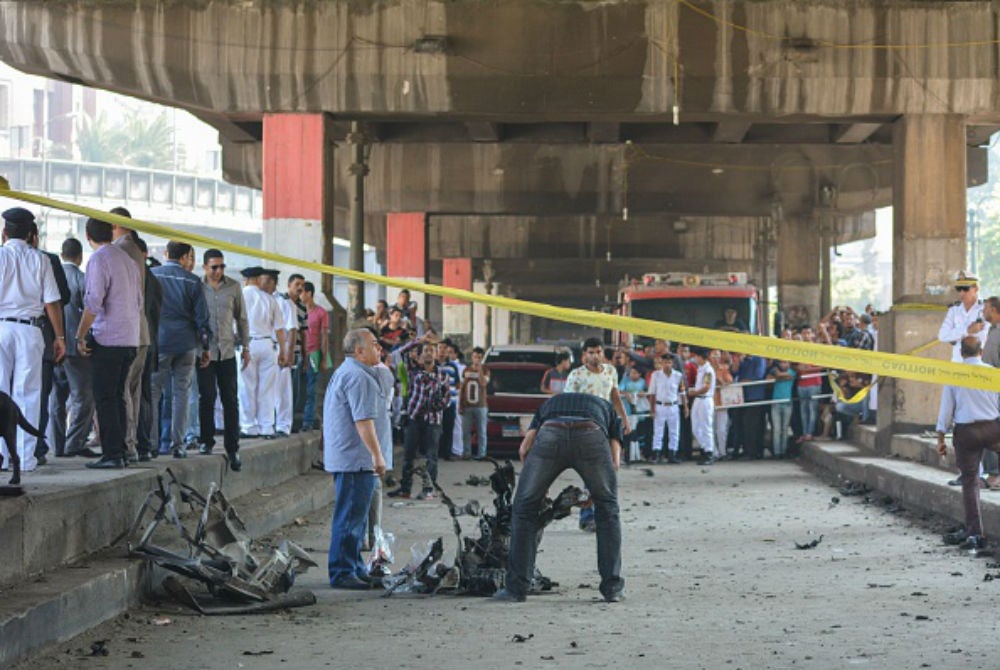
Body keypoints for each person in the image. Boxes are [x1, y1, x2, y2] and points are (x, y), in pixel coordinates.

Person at [493, 392, 625, 604]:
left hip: (551, 433)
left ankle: (516, 588)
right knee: (608, 510)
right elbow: (614, 459)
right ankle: (612, 589)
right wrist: (599, 491)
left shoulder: (548, 404)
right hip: (591, 434)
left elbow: (524, 448)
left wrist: (538, 489)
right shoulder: (606, 407)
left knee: (524, 509)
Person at [0, 208, 65, 473]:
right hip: (30, 330)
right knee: (28, 394)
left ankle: (1, 457)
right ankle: (25, 460)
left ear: (4, 233)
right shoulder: (41, 260)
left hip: (1, 328)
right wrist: (60, 336)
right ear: (30, 234)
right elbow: (52, 301)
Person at [323, 328, 387, 589]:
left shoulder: (352, 372)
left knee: (356, 519)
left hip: (353, 457)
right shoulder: (358, 377)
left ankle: (354, 566)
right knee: (349, 518)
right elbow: (363, 422)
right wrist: (377, 455)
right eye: (373, 344)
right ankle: (342, 571)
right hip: (356, 458)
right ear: (359, 351)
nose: (379, 348)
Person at [76, 217, 141, 469]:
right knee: (118, 397)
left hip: (108, 339)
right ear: (112, 232)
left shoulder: (99, 259)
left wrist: (80, 335)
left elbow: (93, 301)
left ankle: (112, 454)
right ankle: (121, 452)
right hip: (129, 339)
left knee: (105, 398)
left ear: (87, 235)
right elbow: (138, 301)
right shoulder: (128, 260)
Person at [937, 337, 1000, 552]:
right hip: (993, 428)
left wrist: (940, 438)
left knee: (970, 481)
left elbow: (946, 411)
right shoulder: (992, 372)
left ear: (961, 353)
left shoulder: (954, 375)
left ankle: (975, 533)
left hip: (966, 432)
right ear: (981, 351)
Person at [563, 337, 630, 532]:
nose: (595, 356)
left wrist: (624, 419)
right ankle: (587, 515)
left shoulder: (610, 371)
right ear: (584, 355)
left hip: (608, 424)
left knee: (611, 468)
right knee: (590, 472)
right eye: (591, 352)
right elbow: (569, 402)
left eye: (598, 352)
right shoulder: (576, 375)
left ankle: (606, 513)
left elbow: (615, 397)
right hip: (586, 427)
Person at [151, 242, 211, 459]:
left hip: (159, 342)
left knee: (153, 393)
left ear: (166, 254)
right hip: (186, 344)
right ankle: (178, 445)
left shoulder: (152, 275)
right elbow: (202, 319)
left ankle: (152, 444)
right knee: (181, 395)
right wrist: (205, 347)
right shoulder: (193, 281)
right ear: (185, 257)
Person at [197, 249, 250, 471]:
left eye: (221, 267)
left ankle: (232, 447)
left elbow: (242, 318)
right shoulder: (197, 287)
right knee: (207, 397)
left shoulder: (234, 287)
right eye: (214, 267)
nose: (218, 271)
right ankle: (206, 441)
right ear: (205, 268)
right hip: (205, 352)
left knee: (230, 399)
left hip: (227, 351)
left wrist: (246, 346)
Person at [106, 208, 152, 463]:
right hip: (141, 331)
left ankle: (128, 445)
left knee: (123, 390)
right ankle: (132, 444)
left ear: (115, 224)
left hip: (127, 332)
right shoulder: (136, 249)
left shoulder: (121, 250)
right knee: (133, 392)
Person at [26, 221, 70, 465]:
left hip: (4, 332)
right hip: (39, 332)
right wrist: (59, 337)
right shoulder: (48, 260)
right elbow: (60, 298)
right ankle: (35, 447)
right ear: (34, 236)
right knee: (37, 394)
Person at [48, 238, 97, 459]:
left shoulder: (52, 276)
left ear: (62, 254)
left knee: (56, 398)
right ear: (79, 257)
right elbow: (92, 309)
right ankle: (74, 442)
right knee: (83, 397)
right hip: (75, 348)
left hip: (54, 346)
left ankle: (56, 445)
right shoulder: (81, 278)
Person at [388, 339, 451, 499]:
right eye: (426, 351)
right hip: (414, 418)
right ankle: (405, 488)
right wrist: (418, 341)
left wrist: (437, 405)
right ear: (420, 356)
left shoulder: (442, 375)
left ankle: (429, 489)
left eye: (432, 351)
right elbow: (400, 353)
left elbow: (446, 398)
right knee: (409, 455)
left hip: (433, 420)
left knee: (431, 456)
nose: (429, 353)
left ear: (436, 355)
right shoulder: (413, 371)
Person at [239, 267, 287, 439]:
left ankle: (248, 426)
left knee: (247, 387)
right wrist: (283, 351)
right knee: (267, 389)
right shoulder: (269, 299)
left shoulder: (240, 297)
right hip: (268, 345)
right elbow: (280, 329)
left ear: (245, 280)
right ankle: (266, 426)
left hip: (247, 345)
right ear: (258, 280)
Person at [276, 273, 306, 436]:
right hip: (282, 351)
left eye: (302, 285)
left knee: (290, 390)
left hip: (292, 353)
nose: (300, 288)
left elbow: (298, 332)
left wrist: (300, 354)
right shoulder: (281, 301)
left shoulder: (300, 306)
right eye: (297, 284)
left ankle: (288, 423)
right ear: (289, 285)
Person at [938, 271, 987, 363]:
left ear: (976, 288)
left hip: (980, 363)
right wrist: (967, 330)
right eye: (959, 289)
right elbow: (942, 336)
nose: (961, 293)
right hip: (958, 362)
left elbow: (985, 336)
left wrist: (955, 334)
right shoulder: (954, 310)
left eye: (965, 289)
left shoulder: (985, 309)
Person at [301, 281, 330, 432]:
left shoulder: (321, 313)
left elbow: (324, 336)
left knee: (311, 389)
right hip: (300, 352)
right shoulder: (297, 310)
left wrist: (324, 357)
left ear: (309, 293)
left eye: (302, 292)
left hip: (314, 353)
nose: (300, 295)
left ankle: (308, 420)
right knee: (298, 387)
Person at [647, 353, 686, 463]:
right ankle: (656, 454)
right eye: (665, 362)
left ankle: (672, 454)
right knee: (658, 431)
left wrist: (685, 407)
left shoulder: (678, 376)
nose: (667, 365)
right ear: (661, 363)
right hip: (660, 405)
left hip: (673, 405)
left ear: (672, 363)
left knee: (674, 431)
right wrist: (652, 409)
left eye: (669, 362)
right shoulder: (656, 375)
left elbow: (682, 392)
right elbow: (652, 393)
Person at [686, 346, 717, 465]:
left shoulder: (708, 370)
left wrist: (694, 392)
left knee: (706, 427)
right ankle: (704, 448)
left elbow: (706, 387)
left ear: (700, 357)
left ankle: (709, 452)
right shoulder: (700, 369)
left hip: (705, 399)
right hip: (698, 400)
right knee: (696, 427)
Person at [459, 346, 490, 460]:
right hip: (467, 405)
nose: (477, 359)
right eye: (475, 357)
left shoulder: (486, 370)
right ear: (472, 357)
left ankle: (481, 454)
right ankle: (467, 452)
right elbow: (462, 388)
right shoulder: (466, 370)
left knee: (481, 431)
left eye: (479, 357)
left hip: (481, 405)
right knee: (466, 431)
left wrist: (479, 369)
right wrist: (460, 404)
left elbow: (483, 383)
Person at [767, 360, 797, 459]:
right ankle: (777, 452)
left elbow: (784, 376)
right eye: (781, 362)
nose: (783, 364)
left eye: (786, 362)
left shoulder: (792, 372)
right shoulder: (774, 370)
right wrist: (778, 376)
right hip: (776, 402)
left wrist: (777, 376)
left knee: (784, 428)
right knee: (776, 429)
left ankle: (783, 451)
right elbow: (769, 378)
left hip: (787, 403)